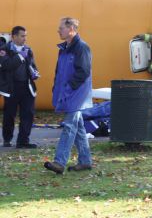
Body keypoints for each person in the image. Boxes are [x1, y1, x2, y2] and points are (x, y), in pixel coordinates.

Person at [44, 17, 93, 174]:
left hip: (76, 93)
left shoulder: (82, 48)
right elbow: (59, 72)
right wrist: (57, 89)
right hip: (69, 92)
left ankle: (59, 162)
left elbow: (83, 72)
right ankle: (85, 161)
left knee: (69, 126)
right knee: (78, 128)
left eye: (61, 28)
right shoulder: (64, 48)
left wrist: (69, 88)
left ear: (71, 28)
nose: (58, 30)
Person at [0, 26, 39, 148]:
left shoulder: (28, 49)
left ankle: (23, 141)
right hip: (11, 87)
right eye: (22, 36)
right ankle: (7, 139)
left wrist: (34, 73)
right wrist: (20, 56)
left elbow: (32, 65)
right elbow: (6, 65)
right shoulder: (4, 49)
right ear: (14, 36)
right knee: (9, 114)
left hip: (26, 86)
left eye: (26, 36)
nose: (25, 38)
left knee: (28, 114)